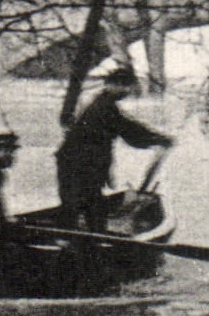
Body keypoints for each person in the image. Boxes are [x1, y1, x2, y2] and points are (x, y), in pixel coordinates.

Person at [55, 66, 171, 233]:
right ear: (114, 85)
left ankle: (79, 238)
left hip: (79, 162)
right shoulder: (103, 107)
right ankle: (86, 240)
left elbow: (128, 127)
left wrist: (155, 138)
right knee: (85, 204)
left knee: (80, 204)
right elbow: (129, 131)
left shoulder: (103, 104)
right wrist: (158, 139)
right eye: (126, 87)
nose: (128, 92)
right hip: (79, 163)